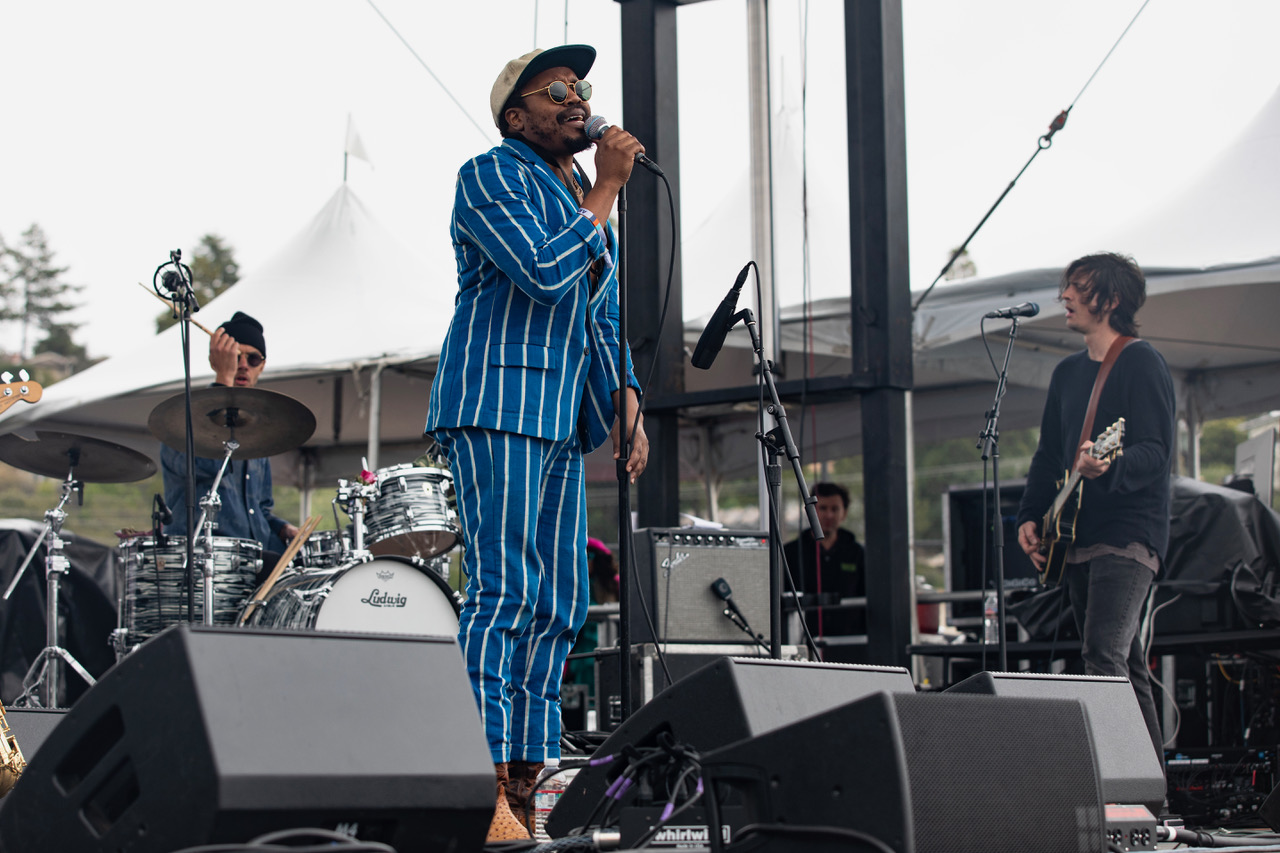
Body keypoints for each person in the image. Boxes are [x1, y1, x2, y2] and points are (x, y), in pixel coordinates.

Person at [423, 44, 649, 841]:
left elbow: (601, 314)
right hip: (497, 402)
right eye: (556, 90)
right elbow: (546, 273)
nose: (577, 97)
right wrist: (612, 191)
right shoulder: (489, 175)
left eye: (582, 87)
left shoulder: (583, 191)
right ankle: (480, 775)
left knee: (562, 600)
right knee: (506, 591)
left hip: (558, 413)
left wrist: (628, 402)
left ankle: (530, 776)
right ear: (516, 116)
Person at [1016, 252, 1174, 768]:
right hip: (1075, 536)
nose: (1065, 296)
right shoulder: (1066, 374)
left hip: (1127, 536)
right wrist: (1030, 516)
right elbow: (1047, 456)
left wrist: (1112, 467)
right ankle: (1152, 795)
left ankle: (1122, 782)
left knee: (1101, 657)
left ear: (1109, 300)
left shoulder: (1140, 361)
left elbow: (1155, 451)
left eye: (1078, 288)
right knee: (1122, 663)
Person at [161, 312, 299, 569]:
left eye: (253, 358)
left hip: (250, 560)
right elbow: (207, 465)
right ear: (219, 360)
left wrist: (282, 529)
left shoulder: (258, 433)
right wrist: (223, 381)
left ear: (263, 366)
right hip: (204, 561)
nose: (243, 365)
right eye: (236, 357)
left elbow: (260, 510)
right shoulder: (185, 420)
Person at [783, 482, 866, 637]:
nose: (829, 515)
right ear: (811, 511)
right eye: (823, 508)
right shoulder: (790, 553)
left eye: (834, 509)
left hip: (850, 643)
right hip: (802, 642)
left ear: (844, 513)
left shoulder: (858, 554)